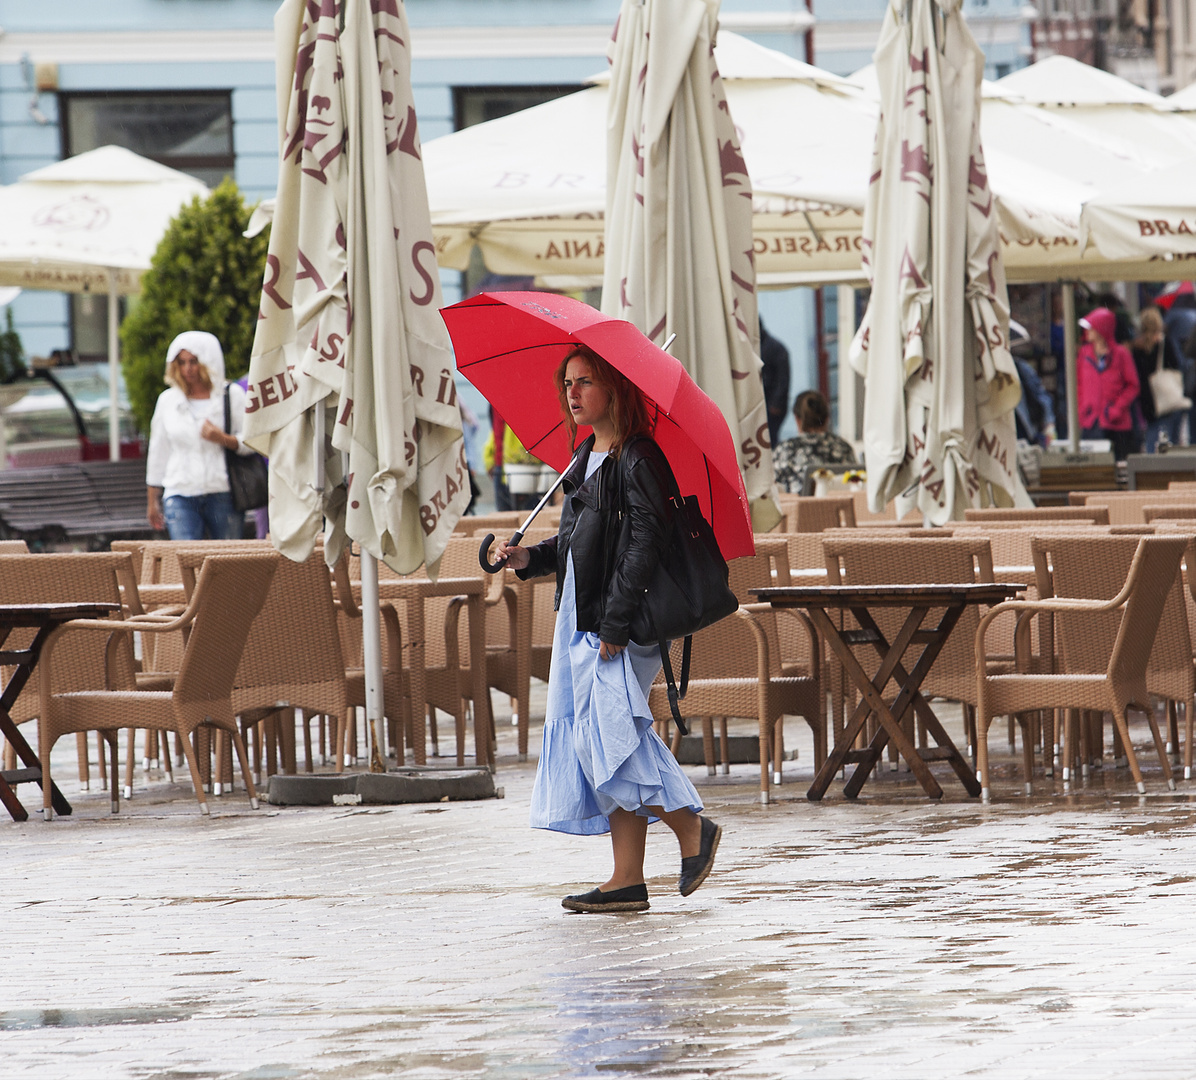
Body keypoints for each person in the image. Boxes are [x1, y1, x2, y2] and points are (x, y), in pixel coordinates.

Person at [495, 344, 720, 915]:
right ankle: (626, 878)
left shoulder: (638, 457)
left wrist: (615, 623)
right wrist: (526, 559)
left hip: (616, 621)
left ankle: (691, 828)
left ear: (615, 389)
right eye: (567, 383)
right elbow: (577, 547)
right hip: (582, 613)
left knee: (610, 735)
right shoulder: (584, 458)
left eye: (585, 382)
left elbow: (644, 546)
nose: (571, 393)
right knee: (601, 735)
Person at [145, 330, 253, 540]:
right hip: (180, 492)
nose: (188, 369)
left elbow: (253, 441)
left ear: (207, 361)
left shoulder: (231, 396)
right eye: (181, 362)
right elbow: (158, 451)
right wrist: (152, 500)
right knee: (186, 559)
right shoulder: (168, 400)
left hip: (222, 491)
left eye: (193, 361)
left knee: (227, 562)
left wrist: (222, 438)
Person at [1076, 307, 1139, 462]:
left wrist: (1116, 409)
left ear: (1101, 329)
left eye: (1092, 327)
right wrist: (1083, 408)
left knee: (1117, 464)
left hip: (1116, 423)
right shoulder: (1084, 353)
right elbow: (1079, 384)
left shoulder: (1121, 354)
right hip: (1091, 422)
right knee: (1093, 466)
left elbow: (1133, 385)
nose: (1088, 331)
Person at [772, 389, 857, 494]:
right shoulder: (844, 448)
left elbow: (774, 491)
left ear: (797, 419)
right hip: (839, 508)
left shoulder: (784, 450)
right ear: (827, 418)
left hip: (798, 509)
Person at [1132, 307, 1188, 453]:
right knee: (1171, 444)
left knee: (1152, 440)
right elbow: (1177, 366)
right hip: (1167, 397)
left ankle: (1153, 472)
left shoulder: (1137, 348)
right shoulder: (1165, 343)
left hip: (1148, 402)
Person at [759, 318, 790, 448]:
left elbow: (783, 379)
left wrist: (776, 403)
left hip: (771, 404)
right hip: (768, 403)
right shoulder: (773, 347)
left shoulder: (774, 348)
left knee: (769, 441)